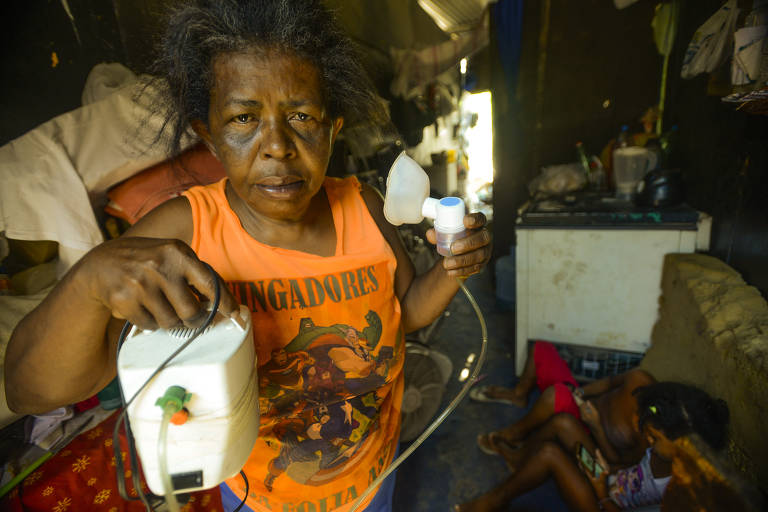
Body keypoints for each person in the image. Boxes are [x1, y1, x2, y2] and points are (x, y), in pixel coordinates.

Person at [3, 1, 492, 511]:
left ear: (332, 129)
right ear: (208, 135)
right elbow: (29, 392)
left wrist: (453, 267)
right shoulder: (183, 233)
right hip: (258, 499)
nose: (277, 145)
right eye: (243, 118)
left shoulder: (366, 208)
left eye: (301, 115)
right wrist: (88, 281)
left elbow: (405, 312)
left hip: (374, 478)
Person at [455, 382, 730, 512]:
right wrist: (598, 431)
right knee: (563, 423)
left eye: (655, 438)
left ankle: (495, 500)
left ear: (684, 444)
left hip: (601, 504)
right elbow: (629, 469)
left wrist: (601, 492)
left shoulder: (677, 489)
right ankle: (519, 462)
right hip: (607, 479)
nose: (648, 441)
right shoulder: (658, 452)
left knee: (550, 454)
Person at [474, 341, 656, 468]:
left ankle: (515, 434)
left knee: (556, 395)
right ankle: (519, 395)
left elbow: (617, 464)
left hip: (589, 435)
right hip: (584, 405)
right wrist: (583, 392)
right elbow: (609, 382)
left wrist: (597, 426)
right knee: (541, 349)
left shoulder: (650, 437)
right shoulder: (640, 380)